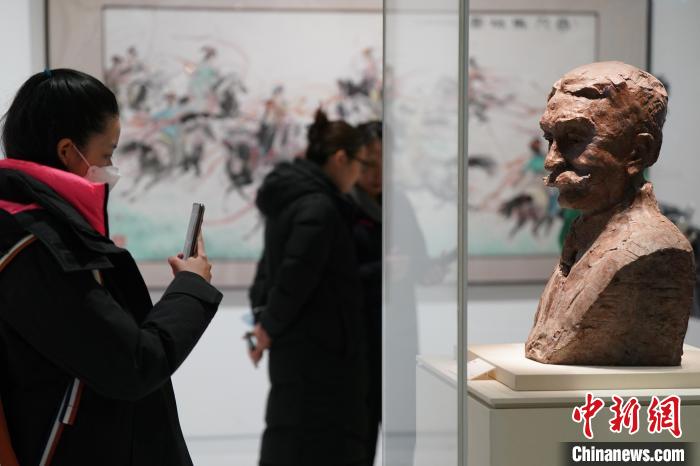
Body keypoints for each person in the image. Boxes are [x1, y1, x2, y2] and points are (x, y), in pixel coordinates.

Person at [0, 69, 223, 466]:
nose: (111, 167)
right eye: (107, 154)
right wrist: (191, 288)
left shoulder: (31, 231)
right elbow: (133, 363)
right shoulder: (42, 247)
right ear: (68, 152)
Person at [526, 61, 694, 365]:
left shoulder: (656, 250)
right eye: (549, 139)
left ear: (638, 152)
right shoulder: (584, 232)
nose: (551, 161)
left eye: (574, 139)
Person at [248, 109, 370, 466]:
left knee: (292, 436)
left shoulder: (296, 198)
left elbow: (270, 270)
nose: (361, 175)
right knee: (312, 444)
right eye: (360, 164)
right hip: (318, 354)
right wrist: (267, 327)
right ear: (340, 158)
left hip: (301, 348)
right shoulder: (318, 206)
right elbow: (295, 275)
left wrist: (264, 321)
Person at [349, 121, 382, 466]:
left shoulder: (397, 204)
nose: (378, 174)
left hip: (395, 333)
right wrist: (382, 269)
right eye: (370, 164)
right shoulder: (343, 207)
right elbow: (334, 277)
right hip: (356, 336)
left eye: (386, 165)